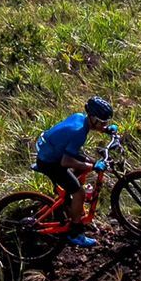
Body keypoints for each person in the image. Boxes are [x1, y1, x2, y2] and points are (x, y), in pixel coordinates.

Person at [35, 96, 114, 248]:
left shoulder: (80, 117)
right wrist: (92, 167)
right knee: (80, 193)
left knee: (84, 166)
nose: (105, 124)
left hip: (52, 151)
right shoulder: (79, 133)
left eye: (107, 122)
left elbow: (70, 148)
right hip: (51, 162)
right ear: (92, 118)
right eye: (102, 122)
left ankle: (69, 204)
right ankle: (75, 232)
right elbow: (66, 162)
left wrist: (106, 130)